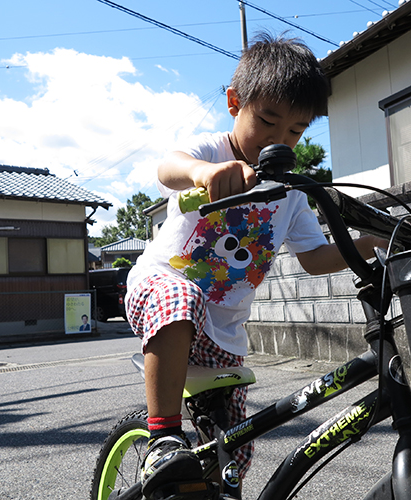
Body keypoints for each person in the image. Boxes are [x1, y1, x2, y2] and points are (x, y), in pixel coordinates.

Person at [125, 33, 387, 497]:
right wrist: (203, 174)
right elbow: (168, 167)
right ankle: (161, 436)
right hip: (160, 288)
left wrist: (366, 243)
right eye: (267, 120)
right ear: (234, 103)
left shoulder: (291, 192)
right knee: (179, 297)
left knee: (232, 457)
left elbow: (313, 258)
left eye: (295, 131)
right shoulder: (213, 152)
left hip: (223, 330)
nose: (279, 138)